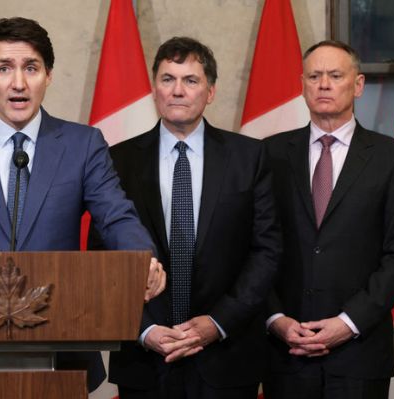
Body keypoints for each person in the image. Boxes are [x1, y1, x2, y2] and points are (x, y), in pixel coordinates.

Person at [0, 17, 165, 391]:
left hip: (64, 342)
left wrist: (142, 256)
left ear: (48, 76)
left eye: (31, 68)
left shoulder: (82, 145)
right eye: (4, 68)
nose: (18, 83)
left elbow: (116, 215)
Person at [89, 37, 281, 398]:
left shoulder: (249, 157)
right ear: (154, 88)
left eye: (190, 80)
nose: (177, 91)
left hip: (227, 355)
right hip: (145, 360)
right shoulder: (116, 160)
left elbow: (266, 250)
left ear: (210, 92)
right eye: (167, 79)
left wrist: (218, 323)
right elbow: (103, 257)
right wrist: (143, 330)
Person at [263, 40, 394, 399]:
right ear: (302, 84)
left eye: (335, 75)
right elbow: (255, 247)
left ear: (359, 84)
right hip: (285, 351)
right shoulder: (268, 155)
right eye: (314, 76)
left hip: (360, 354)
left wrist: (348, 323)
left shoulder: (393, 159)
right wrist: (276, 320)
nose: (323, 84)